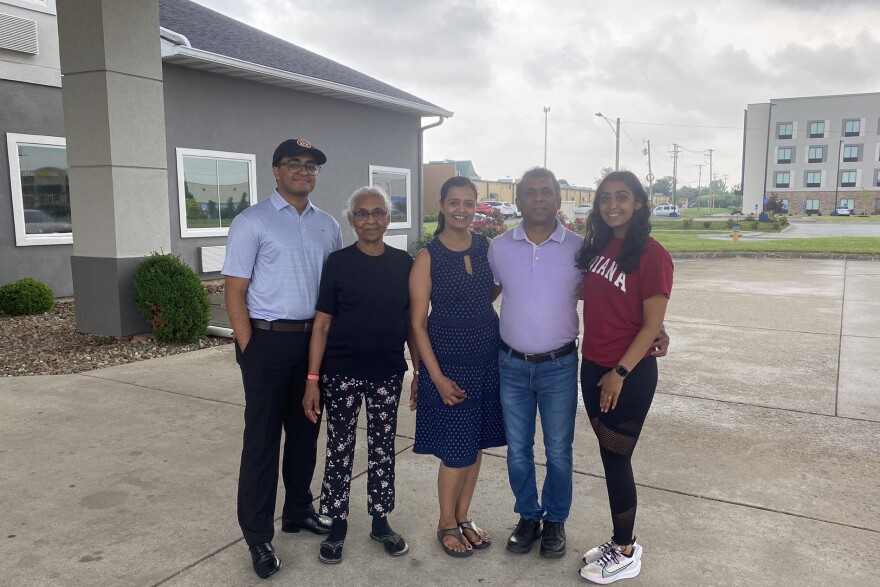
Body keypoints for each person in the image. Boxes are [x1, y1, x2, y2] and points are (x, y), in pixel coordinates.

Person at [487, 167, 669, 560]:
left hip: (561, 365)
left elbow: (633, 299)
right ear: (518, 201)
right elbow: (486, 294)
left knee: (559, 449)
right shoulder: (500, 247)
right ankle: (528, 517)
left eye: (546, 192)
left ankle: (556, 521)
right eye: (530, 192)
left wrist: (655, 329)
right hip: (513, 366)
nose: (538, 198)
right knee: (518, 449)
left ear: (558, 200)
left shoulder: (578, 248)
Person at [222, 138, 341, 579]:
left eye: (311, 165)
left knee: (307, 432)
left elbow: (333, 294)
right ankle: (257, 535)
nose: (303, 171)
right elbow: (234, 292)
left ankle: (297, 510)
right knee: (262, 442)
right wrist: (250, 349)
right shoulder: (251, 222)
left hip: (313, 345)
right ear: (276, 170)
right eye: (294, 163)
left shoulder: (328, 225)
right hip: (267, 343)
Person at [302, 186, 416, 564]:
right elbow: (321, 326)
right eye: (362, 213)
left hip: (386, 373)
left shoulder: (405, 263)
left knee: (383, 447)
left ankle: (380, 521)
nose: (370, 219)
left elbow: (413, 324)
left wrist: (418, 372)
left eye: (378, 212)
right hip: (342, 374)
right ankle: (337, 524)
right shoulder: (337, 263)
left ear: (388, 218)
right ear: (351, 221)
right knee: (340, 448)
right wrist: (313, 380)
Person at [576, 171, 673, 584]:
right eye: (604, 199)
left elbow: (651, 325)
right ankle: (620, 539)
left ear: (637, 203)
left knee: (618, 459)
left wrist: (619, 372)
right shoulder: (600, 248)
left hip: (626, 374)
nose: (612, 205)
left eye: (622, 197)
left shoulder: (653, 255)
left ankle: (627, 549)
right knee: (608, 457)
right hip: (593, 366)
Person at [409, 176, 506, 558]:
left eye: (468, 202)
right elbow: (417, 324)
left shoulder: (487, 247)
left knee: (477, 442)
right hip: (448, 367)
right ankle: (445, 522)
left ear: (476, 205)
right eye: (454, 202)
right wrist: (434, 377)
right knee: (456, 449)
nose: (461, 209)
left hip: (488, 361)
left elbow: (493, 289)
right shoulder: (427, 256)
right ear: (442, 204)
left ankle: (463, 517)